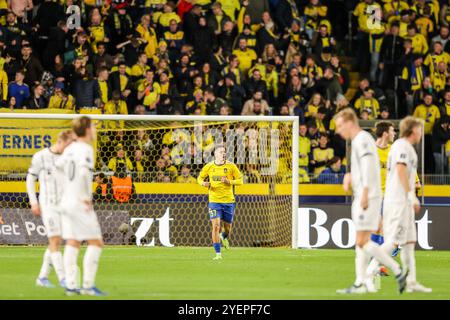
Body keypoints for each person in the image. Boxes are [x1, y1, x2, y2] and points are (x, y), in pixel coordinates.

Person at [334, 108, 408, 294]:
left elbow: (369, 167)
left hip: (368, 196)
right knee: (361, 242)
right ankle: (361, 282)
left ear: (350, 123)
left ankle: (397, 270)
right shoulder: (362, 141)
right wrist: (351, 175)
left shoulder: (362, 139)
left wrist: (365, 193)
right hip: (364, 194)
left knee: (363, 241)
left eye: (340, 126)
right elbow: (365, 165)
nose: (337, 130)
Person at [369, 116, 432, 293]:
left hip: (394, 196)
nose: (393, 133)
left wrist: (416, 184)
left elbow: (408, 171)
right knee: (385, 233)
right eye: (391, 130)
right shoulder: (381, 150)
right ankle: (373, 266)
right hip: (385, 196)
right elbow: (400, 169)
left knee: (402, 239)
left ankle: (405, 278)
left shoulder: (395, 149)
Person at [57, 116, 105, 296]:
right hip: (79, 201)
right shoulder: (86, 149)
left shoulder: (69, 149)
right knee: (96, 242)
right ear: (85, 130)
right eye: (92, 126)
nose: (94, 130)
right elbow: (84, 172)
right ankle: (87, 285)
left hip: (66, 201)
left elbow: (58, 167)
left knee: (73, 242)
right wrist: (86, 197)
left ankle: (71, 285)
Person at [26, 130, 73, 289]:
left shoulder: (67, 159)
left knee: (56, 241)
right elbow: (30, 179)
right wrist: (33, 202)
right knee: (54, 239)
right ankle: (63, 278)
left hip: (63, 205)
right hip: (48, 204)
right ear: (60, 142)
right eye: (67, 146)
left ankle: (42, 277)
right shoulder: (40, 156)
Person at [197, 144, 243, 260]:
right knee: (216, 226)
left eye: (224, 152)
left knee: (227, 228)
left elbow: (241, 180)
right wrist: (203, 184)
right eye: (221, 152)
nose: (223, 154)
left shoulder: (231, 166)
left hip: (228, 201)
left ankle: (225, 237)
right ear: (215, 154)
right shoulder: (209, 166)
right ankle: (218, 254)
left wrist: (229, 182)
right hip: (214, 201)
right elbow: (199, 178)